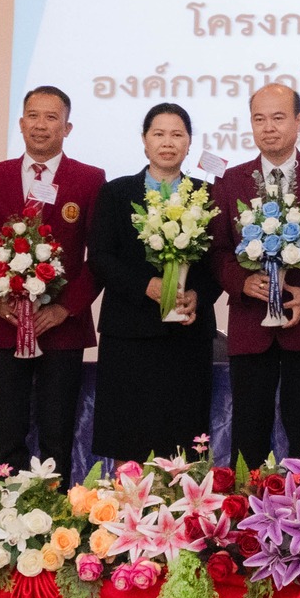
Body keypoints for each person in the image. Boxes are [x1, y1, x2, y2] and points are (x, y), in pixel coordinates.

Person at [0, 86, 106, 476]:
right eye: (33, 115)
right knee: (7, 431)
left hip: (62, 328)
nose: (40, 125)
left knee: (57, 432)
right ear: (21, 122)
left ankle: (55, 513)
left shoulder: (90, 179)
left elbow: (98, 258)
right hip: (4, 323)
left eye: (51, 117)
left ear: (67, 127)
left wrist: (65, 308)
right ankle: (7, 513)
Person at [211, 85, 300, 467]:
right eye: (259, 119)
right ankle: (246, 518)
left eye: (278, 117)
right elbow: (219, 251)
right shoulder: (230, 180)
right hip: (250, 329)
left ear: (298, 121)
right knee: (247, 437)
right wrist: (240, 281)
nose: (268, 128)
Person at [89, 103, 225, 462]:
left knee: (183, 443)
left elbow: (220, 262)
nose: (168, 143)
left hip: (186, 337)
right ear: (144, 142)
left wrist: (200, 295)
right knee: (127, 439)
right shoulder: (116, 193)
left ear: (189, 143)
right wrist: (145, 286)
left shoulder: (206, 196)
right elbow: (101, 257)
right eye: (159, 134)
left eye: (177, 134)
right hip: (129, 334)